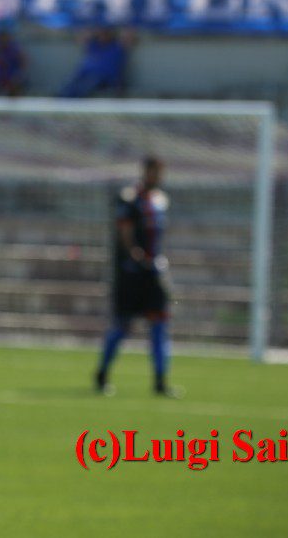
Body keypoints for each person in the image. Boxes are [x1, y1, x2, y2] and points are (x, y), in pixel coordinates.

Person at [95, 156, 177, 397]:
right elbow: (125, 233)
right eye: (154, 172)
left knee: (159, 325)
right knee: (122, 327)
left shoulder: (160, 200)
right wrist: (135, 256)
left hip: (153, 274)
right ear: (146, 171)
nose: (157, 177)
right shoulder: (130, 199)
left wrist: (157, 264)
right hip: (132, 275)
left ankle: (160, 381)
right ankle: (102, 373)